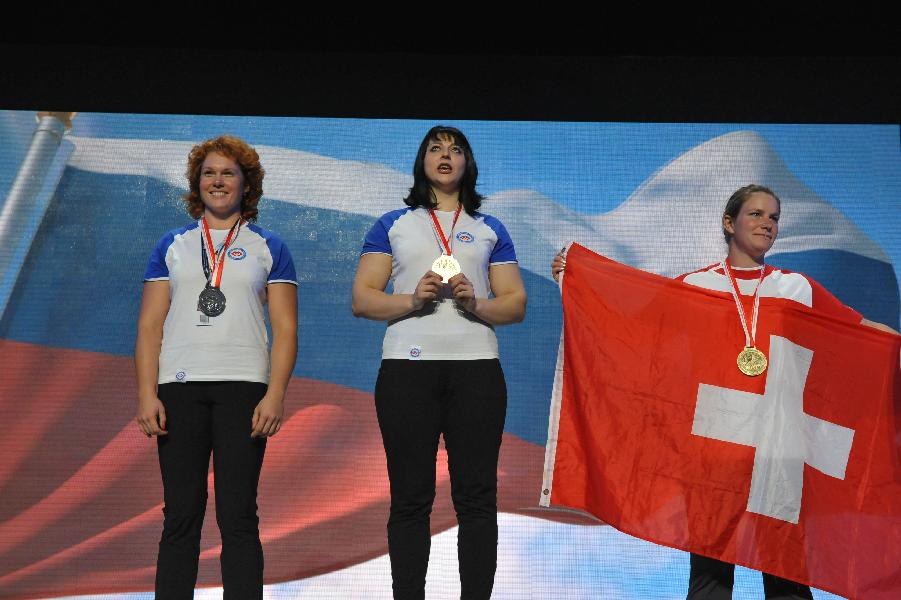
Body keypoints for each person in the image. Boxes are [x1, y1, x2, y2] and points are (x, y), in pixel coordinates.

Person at [551, 183, 897, 599]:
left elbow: (862, 333)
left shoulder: (797, 288)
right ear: (729, 223)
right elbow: (632, 328)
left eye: (773, 217)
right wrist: (578, 280)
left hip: (778, 458)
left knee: (788, 579)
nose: (767, 223)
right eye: (756, 214)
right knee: (710, 582)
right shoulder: (695, 285)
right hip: (713, 453)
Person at [352, 126, 527, 600]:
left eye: (455, 150)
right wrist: (412, 300)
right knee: (411, 499)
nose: (445, 156)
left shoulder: (490, 228)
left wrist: (477, 304)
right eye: (435, 148)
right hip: (408, 372)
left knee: (477, 499)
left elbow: (515, 304)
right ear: (422, 162)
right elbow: (363, 299)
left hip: (476, 371)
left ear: (468, 164)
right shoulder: (393, 224)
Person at [134, 135, 298, 599]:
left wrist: (275, 395)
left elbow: (286, 329)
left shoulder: (270, 246)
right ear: (197, 183)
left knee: (238, 515)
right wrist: (146, 394)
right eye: (209, 173)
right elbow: (149, 326)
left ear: (246, 184)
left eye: (228, 173)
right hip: (179, 389)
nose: (218, 181)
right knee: (180, 515)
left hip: (244, 390)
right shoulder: (173, 245)